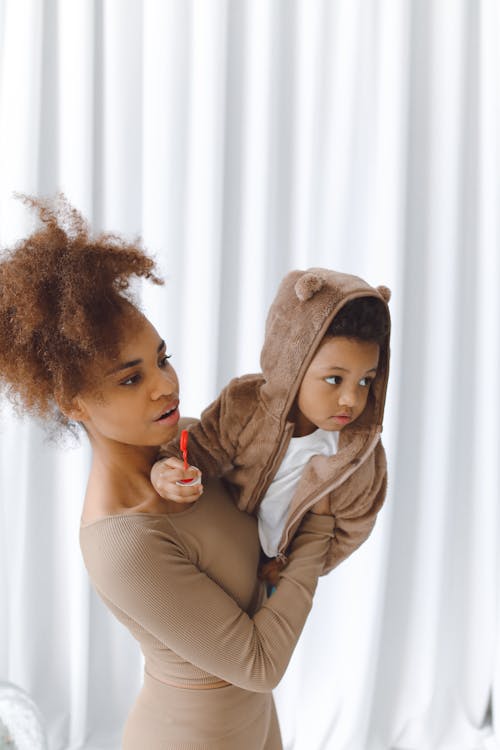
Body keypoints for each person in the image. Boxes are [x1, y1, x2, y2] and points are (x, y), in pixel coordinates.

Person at [0, 195, 337, 750]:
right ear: (74, 403)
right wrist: (319, 529)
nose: (166, 384)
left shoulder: (184, 446)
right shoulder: (123, 544)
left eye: (163, 357)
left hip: (258, 728)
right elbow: (259, 663)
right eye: (131, 379)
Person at [151, 268, 391, 586]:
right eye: (334, 379)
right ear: (292, 362)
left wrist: (294, 567)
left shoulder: (357, 455)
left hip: (276, 574)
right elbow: (201, 447)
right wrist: (164, 469)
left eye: (365, 381)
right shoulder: (245, 405)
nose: (351, 398)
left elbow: (353, 527)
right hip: (218, 546)